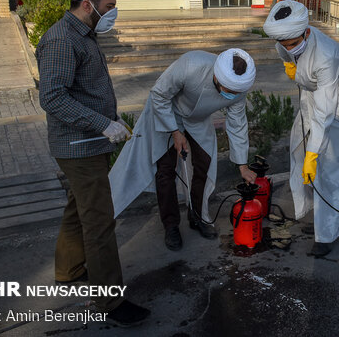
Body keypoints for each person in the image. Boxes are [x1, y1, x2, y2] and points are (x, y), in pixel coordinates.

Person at [36, 0, 149, 327]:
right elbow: (52, 97)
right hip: (78, 146)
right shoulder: (61, 39)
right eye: (109, 5)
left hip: (89, 142)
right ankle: (110, 302)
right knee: (99, 221)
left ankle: (69, 270)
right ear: (87, 4)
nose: (113, 12)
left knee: (78, 207)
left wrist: (108, 123)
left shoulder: (83, 33)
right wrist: (102, 123)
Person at [109, 49, 257, 251]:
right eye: (227, 90)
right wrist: (175, 132)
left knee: (204, 164)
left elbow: (238, 124)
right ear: (216, 75)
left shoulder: (239, 90)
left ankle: (197, 216)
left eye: (235, 92)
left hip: (197, 120)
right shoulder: (191, 64)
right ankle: (171, 226)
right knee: (165, 170)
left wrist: (242, 165)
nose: (230, 95)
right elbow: (159, 94)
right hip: (166, 112)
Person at [262, 0, 339, 257]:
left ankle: (328, 235)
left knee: (331, 173)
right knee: (298, 153)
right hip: (311, 102)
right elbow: (285, 52)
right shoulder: (285, 41)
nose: (289, 49)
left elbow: (324, 113)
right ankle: (314, 216)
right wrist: (289, 63)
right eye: (285, 45)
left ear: (306, 32)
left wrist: (314, 153)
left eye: (294, 44)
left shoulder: (326, 56)